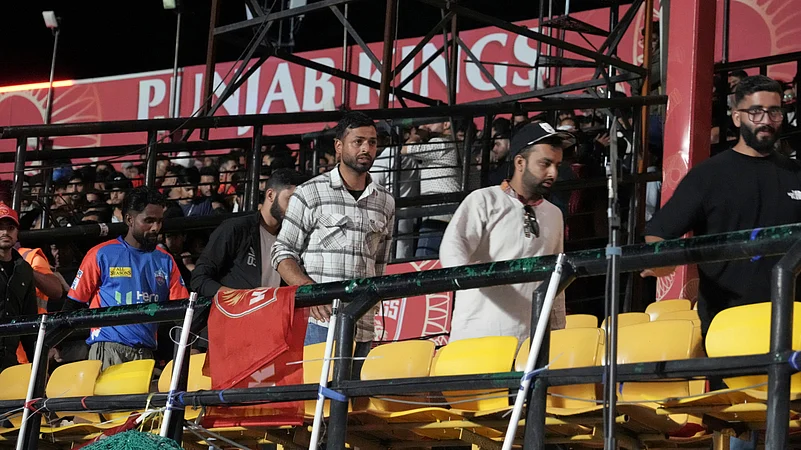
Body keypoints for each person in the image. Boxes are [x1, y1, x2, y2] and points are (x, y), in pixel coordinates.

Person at [643, 75, 800, 336]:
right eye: (756, 112)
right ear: (737, 117)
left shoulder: (795, 173)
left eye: (774, 112)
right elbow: (659, 231)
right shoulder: (709, 176)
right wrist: (663, 262)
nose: (766, 121)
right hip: (729, 324)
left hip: (794, 320)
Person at [272, 112, 395, 376]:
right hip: (320, 322)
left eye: (372, 143)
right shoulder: (310, 192)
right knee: (314, 403)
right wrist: (309, 290)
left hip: (364, 323)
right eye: (358, 141)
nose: (366, 149)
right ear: (339, 146)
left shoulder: (386, 201)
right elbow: (282, 252)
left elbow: (380, 263)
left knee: (351, 404)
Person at [439, 123, 572, 344]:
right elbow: (452, 249)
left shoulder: (554, 214)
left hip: (530, 344)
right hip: (477, 340)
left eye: (557, 165)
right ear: (520, 162)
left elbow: (556, 280)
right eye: (545, 164)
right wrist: (474, 283)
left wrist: (558, 332)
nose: (553, 173)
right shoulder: (483, 200)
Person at [65, 187, 188, 369]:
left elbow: (182, 311)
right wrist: (55, 345)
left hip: (146, 354)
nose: (156, 228)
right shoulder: (101, 254)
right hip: (108, 350)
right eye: (149, 221)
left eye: (159, 221)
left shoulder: (166, 260)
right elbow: (72, 305)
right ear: (129, 219)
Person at [192, 169, 305, 297]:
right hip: (235, 313)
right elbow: (199, 279)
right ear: (270, 195)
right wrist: (241, 298)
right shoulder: (236, 229)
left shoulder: (293, 237)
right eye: (291, 199)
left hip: (274, 313)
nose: (296, 208)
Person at [402, 119, 461, 257]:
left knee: (425, 261)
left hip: (437, 215)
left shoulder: (441, 143)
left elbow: (406, 148)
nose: (426, 125)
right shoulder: (455, 145)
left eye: (430, 122)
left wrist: (420, 134)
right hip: (449, 213)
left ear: (446, 124)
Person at [0, 203, 37, 370]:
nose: (5, 232)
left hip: (8, 361)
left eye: (10, 227)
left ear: (17, 232)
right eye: (0, 227)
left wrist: (37, 366)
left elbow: (28, 318)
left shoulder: (24, 269)